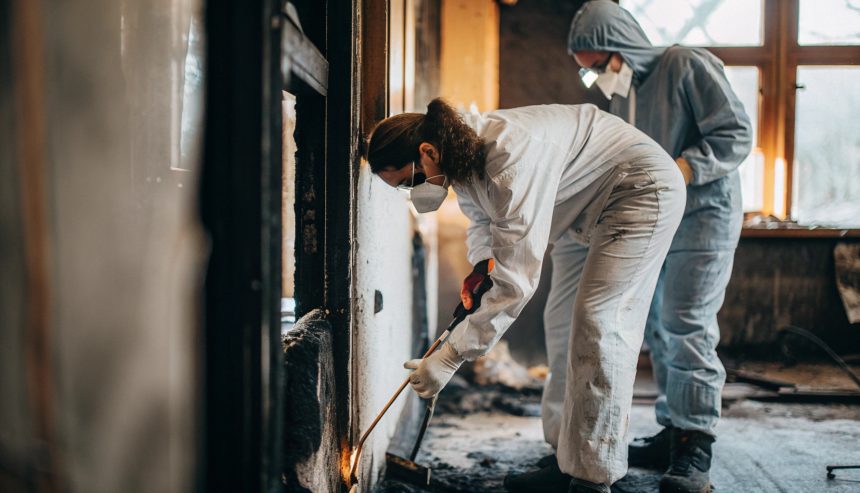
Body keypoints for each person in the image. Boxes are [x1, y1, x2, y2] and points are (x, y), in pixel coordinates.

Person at [366, 98, 685, 493]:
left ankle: (592, 477)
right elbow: (483, 220)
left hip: (639, 190)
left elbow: (517, 281)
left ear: (427, 152)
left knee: (601, 323)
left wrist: (449, 356)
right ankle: (569, 459)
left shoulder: (509, 159)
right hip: (586, 202)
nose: (412, 192)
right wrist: (482, 268)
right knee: (564, 323)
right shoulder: (459, 154)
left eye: (409, 181)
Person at [529, 2, 752, 492]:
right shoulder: (624, 93)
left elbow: (736, 133)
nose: (597, 77)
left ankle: (695, 443)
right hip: (650, 219)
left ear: (623, 47)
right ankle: (670, 432)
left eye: (599, 65)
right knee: (652, 325)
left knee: (685, 322)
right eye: (586, 70)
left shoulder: (685, 65)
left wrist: (685, 169)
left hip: (702, 215)